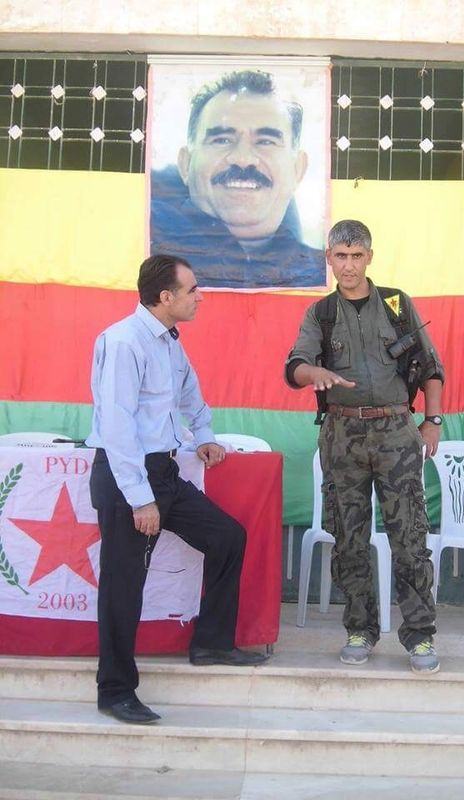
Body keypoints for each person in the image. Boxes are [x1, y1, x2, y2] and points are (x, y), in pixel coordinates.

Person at [87, 254, 267, 726]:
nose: (199, 297)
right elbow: (117, 426)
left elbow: (189, 392)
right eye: (192, 290)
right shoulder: (124, 342)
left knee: (227, 537)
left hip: (164, 472)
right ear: (165, 297)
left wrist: (204, 434)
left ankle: (211, 644)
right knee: (124, 583)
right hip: (128, 477)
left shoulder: (167, 341)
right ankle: (115, 691)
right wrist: (140, 497)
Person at [285, 219, 445, 673]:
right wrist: (314, 374)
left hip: (396, 431)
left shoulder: (397, 304)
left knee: (409, 536)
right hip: (342, 435)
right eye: (341, 256)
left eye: (357, 256)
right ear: (329, 259)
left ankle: (420, 635)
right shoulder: (321, 313)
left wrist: (432, 421)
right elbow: (295, 366)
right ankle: (360, 629)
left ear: (369, 257)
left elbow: (431, 367)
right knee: (349, 538)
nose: (349, 265)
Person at [151, 70, 325, 290]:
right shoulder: (145, 236)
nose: (243, 159)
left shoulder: (323, 273)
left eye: (266, 141)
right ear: (185, 164)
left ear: (298, 169)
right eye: (222, 139)